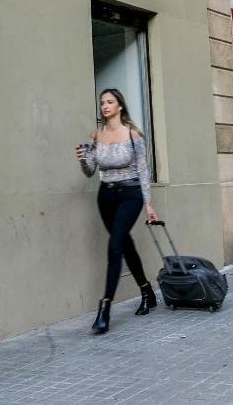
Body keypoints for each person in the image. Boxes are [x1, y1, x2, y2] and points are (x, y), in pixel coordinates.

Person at [75, 88, 160, 334]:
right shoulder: (97, 134)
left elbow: (143, 171)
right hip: (106, 196)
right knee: (124, 244)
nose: (105, 106)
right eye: (102, 102)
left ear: (120, 106)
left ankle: (105, 308)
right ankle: (146, 290)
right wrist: (82, 158)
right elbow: (90, 171)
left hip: (130, 194)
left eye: (110, 102)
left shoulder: (133, 135)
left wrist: (148, 203)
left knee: (114, 245)